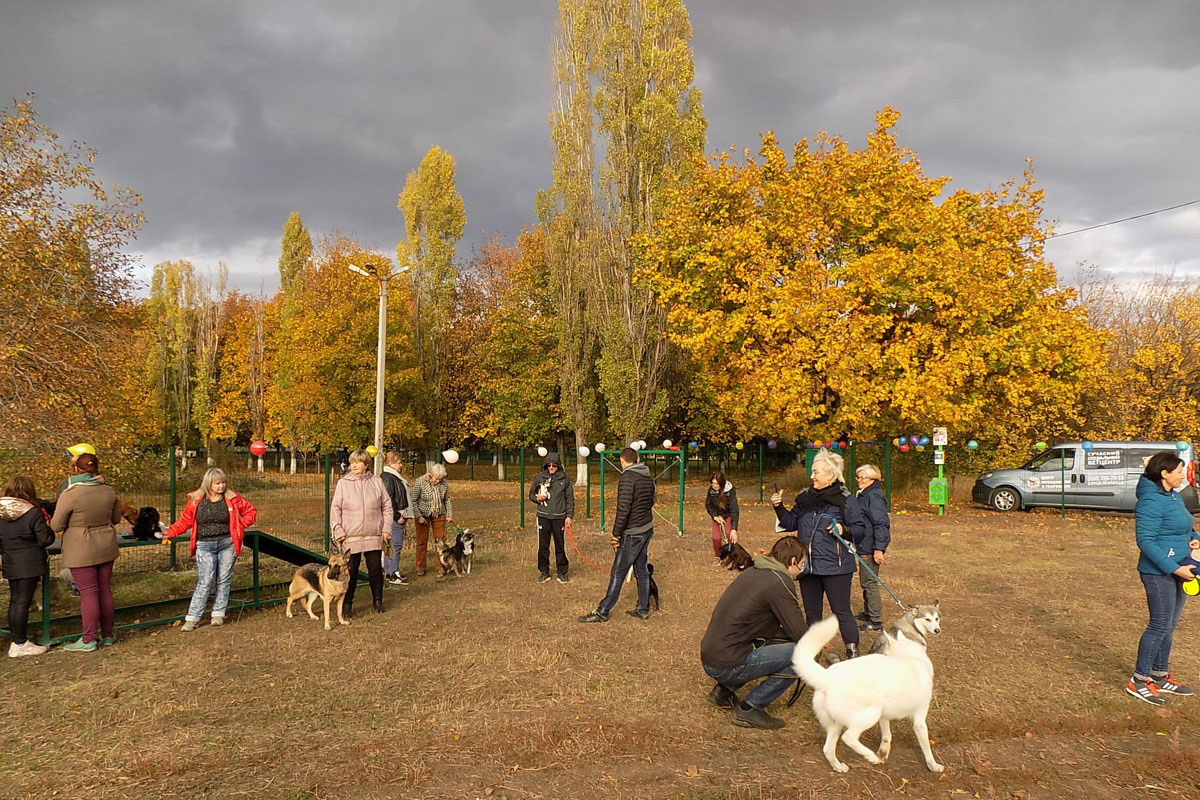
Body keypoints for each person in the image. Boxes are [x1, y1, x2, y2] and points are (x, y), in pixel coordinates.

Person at [700, 535, 809, 729]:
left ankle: (723, 693)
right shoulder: (779, 582)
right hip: (726, 663)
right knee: (800, 655)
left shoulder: (755, 572)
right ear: (793, 562)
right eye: (802, 564)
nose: (801, 568)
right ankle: (750, 708)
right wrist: (816, 643)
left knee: (768, 642)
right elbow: (800, 635)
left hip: (711, 655)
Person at [771, 447, 866, 658]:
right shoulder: (805, 497)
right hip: (809, 567)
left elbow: (860, 530)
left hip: (836, 568)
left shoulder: (846, 500)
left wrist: (844, 530)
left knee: (842, 611)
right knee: (812, 613)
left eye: (816, 472)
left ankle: (852, 650)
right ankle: (814, 653)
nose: (811, 476)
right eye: (812, 472)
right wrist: (779, 507)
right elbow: (790, 522)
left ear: (831, 475)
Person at [1126, 451, 1200, 704]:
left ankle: (1159, 675)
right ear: (1164, 474)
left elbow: (1187, 526)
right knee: (1159, 625)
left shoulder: (1173, 496)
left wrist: (1194, 538)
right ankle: (1139, 680)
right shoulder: (1150, 501)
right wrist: (1173, 568)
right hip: (1158, 572)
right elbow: (1145, 541)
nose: (1183, 475)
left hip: (1181, 567)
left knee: (1170, 625)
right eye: (1179, 471)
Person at [163, 467, 258, 631]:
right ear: (208, 484)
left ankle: (218, 614)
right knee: (205, 580)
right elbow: (185, 521)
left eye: (223, 483)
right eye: (217, 483)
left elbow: (250, 512)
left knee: (223, 579)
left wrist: (239, 525)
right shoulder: (196, 500)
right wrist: (170, 532)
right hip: (204, 545)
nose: (221, 486)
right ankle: (193, 618)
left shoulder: (232, 498)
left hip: (227, 543)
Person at [50, 453, 122, 652]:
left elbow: (56, 525)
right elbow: (116, 519)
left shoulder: (71, 493)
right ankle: (108, 635)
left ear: (75, 469)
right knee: (105, 589)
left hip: (81, 548)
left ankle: (88, 639)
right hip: (106, 544)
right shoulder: (109, 491)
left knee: (88, 593)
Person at [579, 447, 656, 623]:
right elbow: (652, 500)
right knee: (641, 570)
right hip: (646, 528)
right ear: (636, 459)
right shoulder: (647, 476)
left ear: (622, 461)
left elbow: (624, 508)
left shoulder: (627, 478)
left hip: (633, 532)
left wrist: (616, 534)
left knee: (618, 572)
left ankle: (602, 611)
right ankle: (643, 609)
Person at [330, 449, 392, 615]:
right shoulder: (343, 483)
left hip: (374, 535)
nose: (354, 465)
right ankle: (347, 605)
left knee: (375, 570)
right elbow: (335, 508)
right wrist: (338, 530)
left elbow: (387, 506)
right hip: (351, 536)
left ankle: (377, 602)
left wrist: (386, 529)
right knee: (351, 572)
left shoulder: (377, 482)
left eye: (357, 462)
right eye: (352, 462)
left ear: (366, 464)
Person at [0, 476, 55, 657]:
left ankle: (18, 639)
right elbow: (45, 540)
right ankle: (20, 643)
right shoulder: (33, 513)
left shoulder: (1, 513)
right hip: (29, 562)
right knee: (23, 601)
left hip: (10, 561)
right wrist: (48, 528)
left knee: (15, 601)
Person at [854, 464, 891, 632]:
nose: (859, 481)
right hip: (863, 544)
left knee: (869, 582)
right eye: (858, 477)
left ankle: (875, 620)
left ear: (873, 480)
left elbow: (881, 523)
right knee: (865, 580)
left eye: (863, 478)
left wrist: (879, 549)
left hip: (870, 546)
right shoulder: (864, 495)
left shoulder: (874, 496)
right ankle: (868, 611)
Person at [530, 451, 574, 584]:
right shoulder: (540, 478)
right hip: (543, 516)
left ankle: (562, 572)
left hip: (559, 517)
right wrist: (537, 499)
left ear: (558, 466)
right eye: (548, 466)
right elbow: (531, 494)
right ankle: (544, 572)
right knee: (543, 545)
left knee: (560, 545)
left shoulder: (565, 479)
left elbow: (570, 498)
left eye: (554, 466)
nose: (551, 468)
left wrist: (569, 516)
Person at [410, 463, 453, 577]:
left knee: (440, 541)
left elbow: (447, 499)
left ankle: (441, 566)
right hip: (423, 515)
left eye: (441, 479)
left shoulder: (443, 483)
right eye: (437, 479)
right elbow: (413, 500)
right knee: (421, 541)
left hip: (439, 514)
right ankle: (420, 567)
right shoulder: (420, 482)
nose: (439, 481)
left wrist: (449, 514)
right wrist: (419, 516)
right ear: (430, 475)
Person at [380, 451, 411, 586]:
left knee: (393, 545)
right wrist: (397, 516)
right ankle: (392, 572)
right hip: (395, 517)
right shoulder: (388, 477)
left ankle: (390, 571)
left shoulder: (394, 476)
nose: (401, 465)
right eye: (398, 463)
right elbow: (389, 499)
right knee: (395, 545)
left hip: (399, 515)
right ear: (391, 464)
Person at [706, 471, 740, 565]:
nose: (714, 485)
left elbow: (734, 511)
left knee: (730, 534)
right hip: (717, 516)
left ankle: (732, 555)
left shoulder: (730, 492)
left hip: (728, 515)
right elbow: (708, 505)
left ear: (721, 483)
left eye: (716, 483)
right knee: (716, 538)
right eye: (713, 483)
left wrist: (734, 529)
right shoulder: (711, 491)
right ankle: (718, 556)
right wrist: (715, 517)